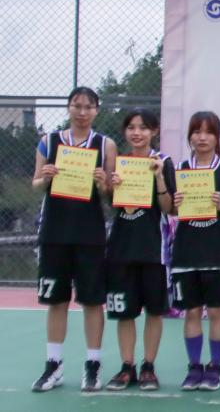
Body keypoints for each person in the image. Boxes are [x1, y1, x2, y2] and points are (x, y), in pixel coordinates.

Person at [31, 87, 116, 393]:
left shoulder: (105, 144)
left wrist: (103, 183)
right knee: (56, 300)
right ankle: (53, 364)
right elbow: (36, 183)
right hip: (55, 232)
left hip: (89, 234)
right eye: (77, 106)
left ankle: (93, 363)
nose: (82, 112)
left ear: (96, 110)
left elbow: (110, 193)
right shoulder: (50, 141)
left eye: (88, 107)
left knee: (92, 301)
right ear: (68, 107)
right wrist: (46, 178)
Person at [104, 109, 176, 391]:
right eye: (132, 127)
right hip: (121, 247)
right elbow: (113, 202)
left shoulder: (163, 162)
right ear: (125, 132)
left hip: (153, 249)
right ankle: (127, 367)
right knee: (124, 312)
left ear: (154, 131)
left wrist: (158, 178)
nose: (137, 133)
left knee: (154, 311)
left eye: (144, 127)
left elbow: (170, 208)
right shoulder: (119, 164)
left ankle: (148, 367)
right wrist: (111, 187)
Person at [171, 111, 220, 392]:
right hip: (186, 252)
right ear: (190, 136)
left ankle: (215, 367)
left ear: (217, 137)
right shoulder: (180, 169)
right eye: (196, 132)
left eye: (208, 132)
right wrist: (175, 203)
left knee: (215, 312)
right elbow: (172, 209)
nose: (202, 138)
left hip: (217, 252)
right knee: (191, 312)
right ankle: (194, 367)